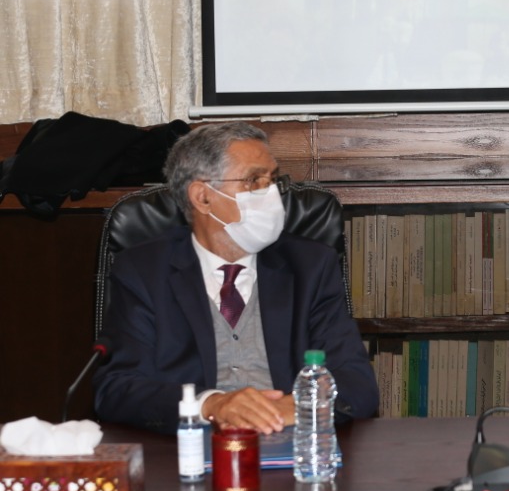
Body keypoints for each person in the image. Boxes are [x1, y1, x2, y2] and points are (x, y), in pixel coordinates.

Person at [94, 122, 378, 433]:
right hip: (190, 446)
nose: (272, 194)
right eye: (254, 181)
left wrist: (296, 407)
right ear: (203, 197)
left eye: (273, 180)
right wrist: (209, 405)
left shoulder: (310, 266)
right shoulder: (144, 271)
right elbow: (117, 389)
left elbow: (358, 384)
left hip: (289, 441)